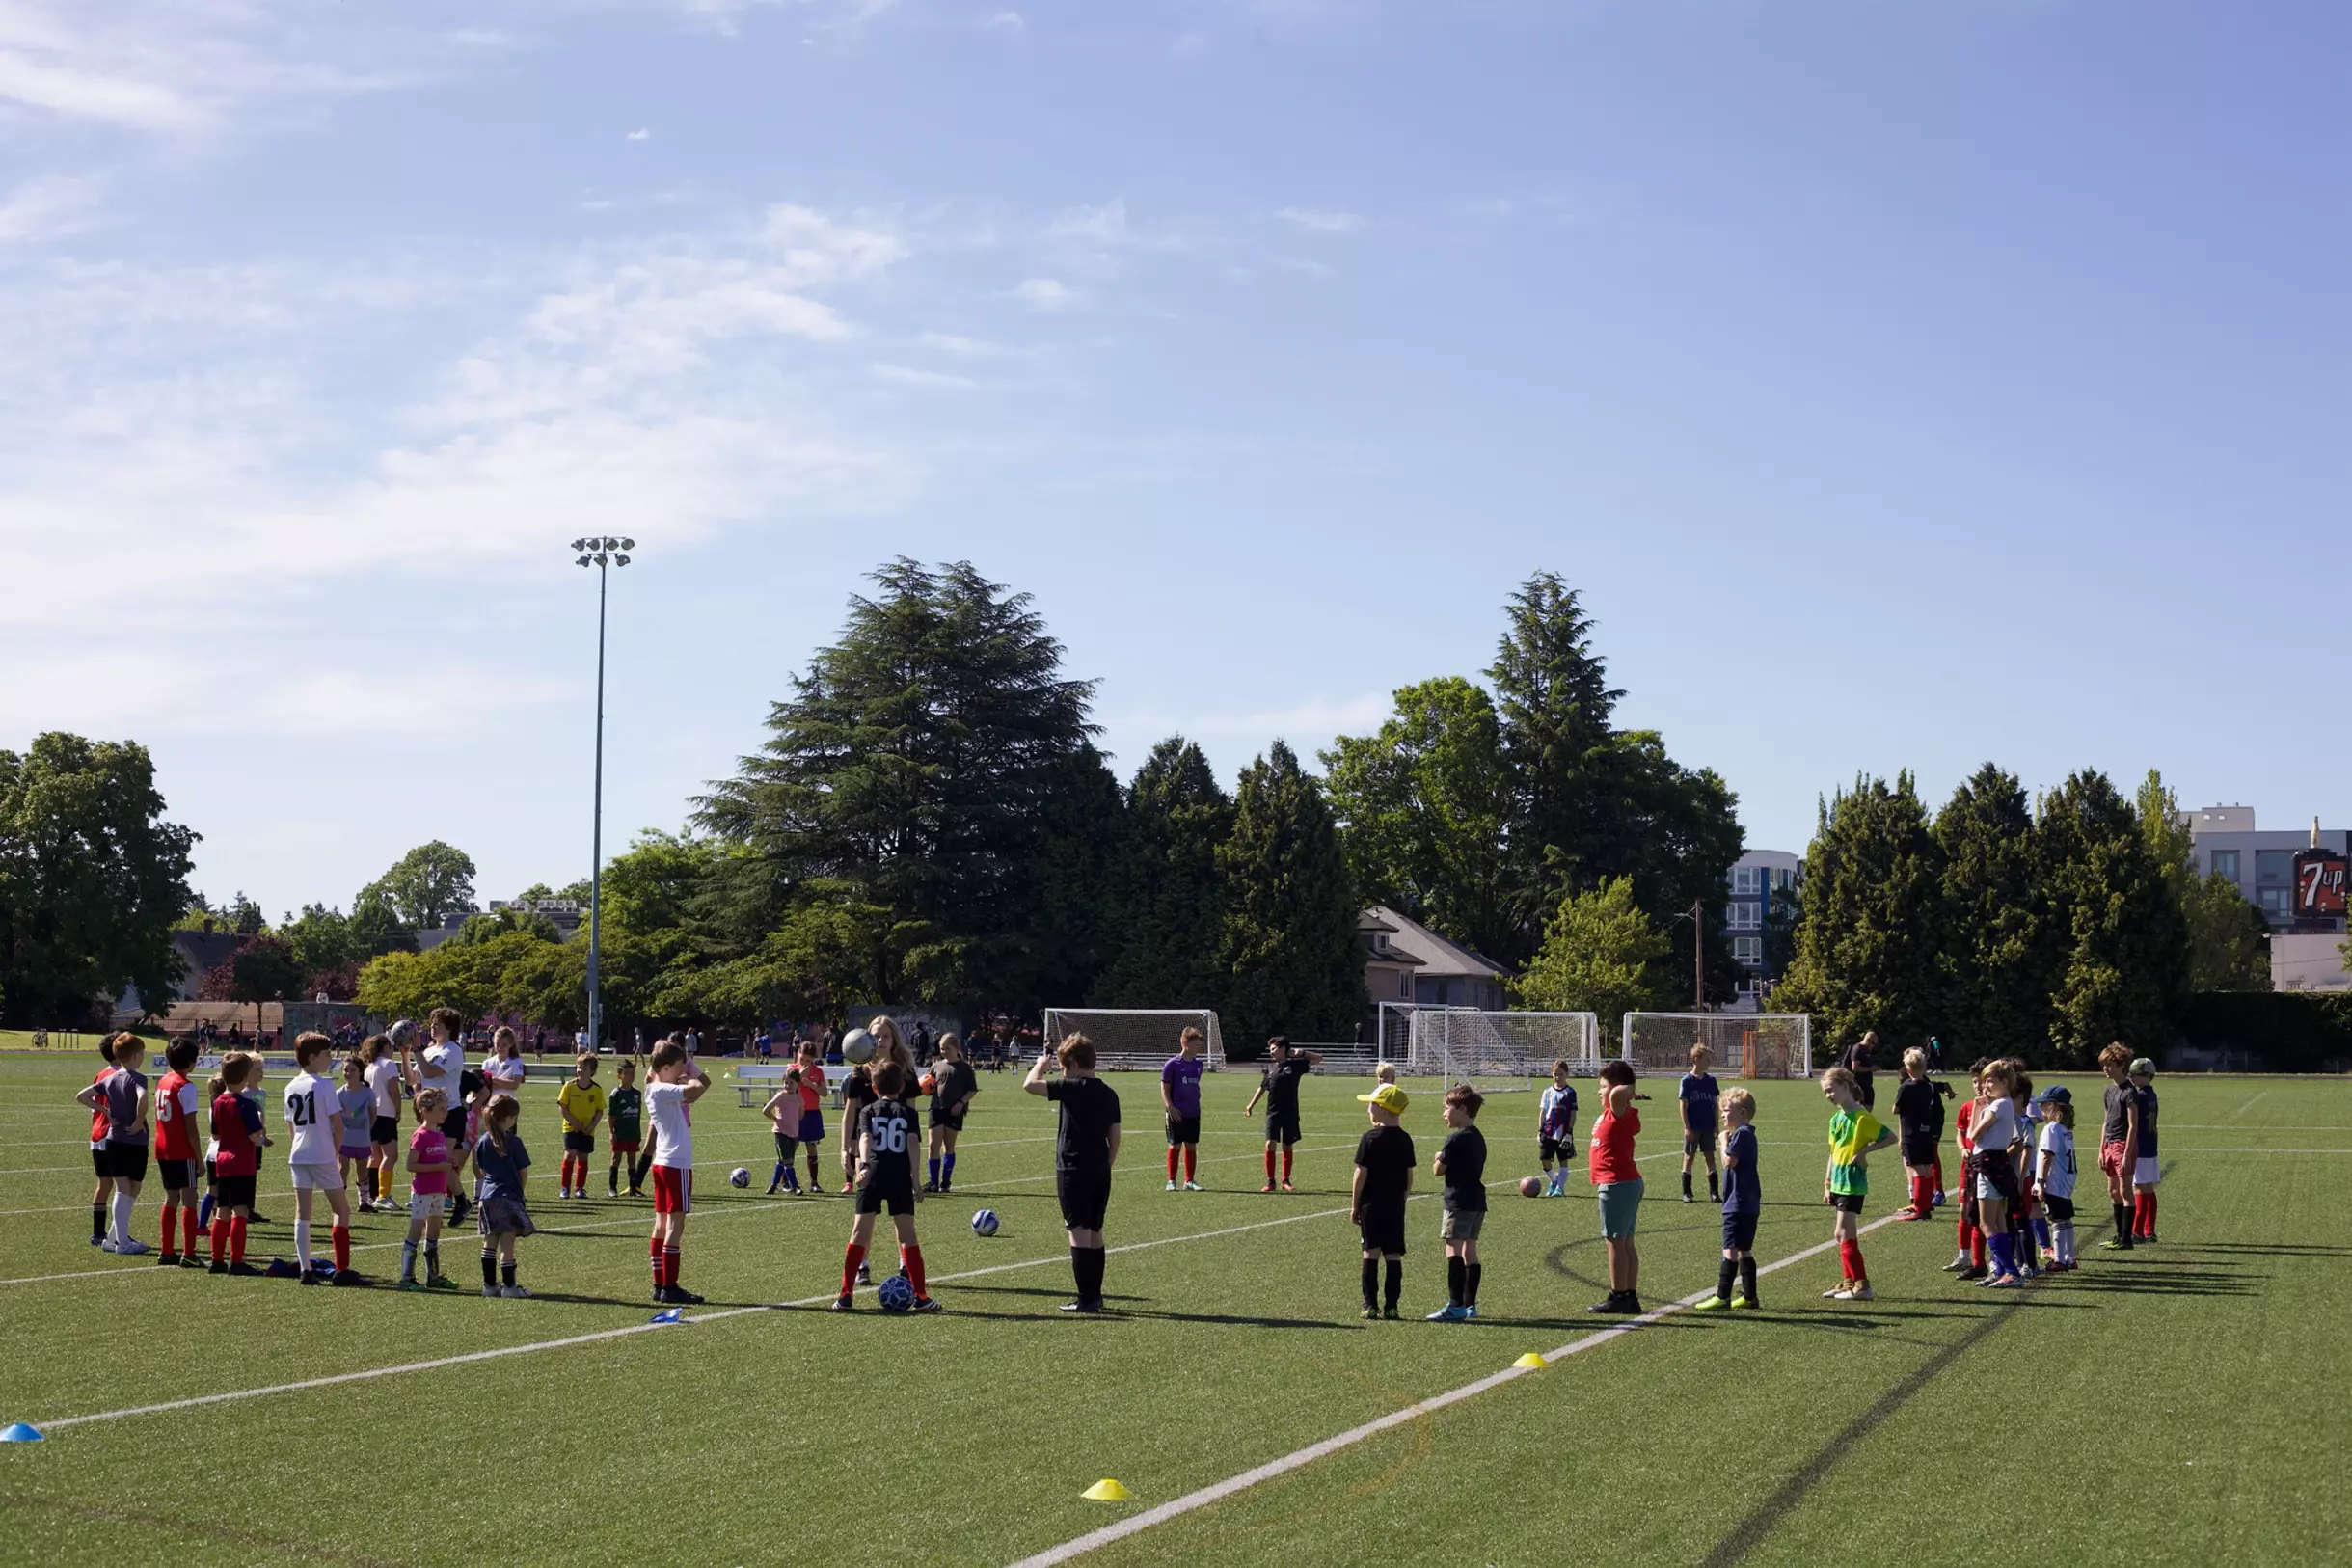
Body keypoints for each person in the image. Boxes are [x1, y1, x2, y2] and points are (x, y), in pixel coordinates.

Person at [830, 1061, 939, 1312]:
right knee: (907, 1234)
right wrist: (915, 1177)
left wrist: (864, 1165)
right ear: (902, 1087)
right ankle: (921, 1296)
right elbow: (912, 1143)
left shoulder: (868, 1110)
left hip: (874, 1174)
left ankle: (846, 1295)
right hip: (899, 1175)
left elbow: (865, 1137)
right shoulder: (909, 1114)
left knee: (859, 1233)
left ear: (874, 1087)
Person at [1026, 1033, 1122, 1313]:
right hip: (1100, 1168)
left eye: (1063, 1066)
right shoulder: (1108, 1093)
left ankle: (1086, 1298)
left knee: (1077, 1232)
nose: (1062, 1072)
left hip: (1072, 1167)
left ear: (1075, 1064)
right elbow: (1115, 1136)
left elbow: (1029, 1085)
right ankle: (1096, 1295)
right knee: (1095, 1231)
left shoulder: (1072, 1087)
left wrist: (1041, 1064)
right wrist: (1106, 1163)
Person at [282, 1032, 358, 1284]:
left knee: (302, 1213)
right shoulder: (324, 1084)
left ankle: (306, 1269)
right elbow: (339, 1126)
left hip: (298, 1154)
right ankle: (342, 1270)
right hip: (322, 1153)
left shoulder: (290, 1086)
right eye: (326, 1054)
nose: (330, 1059)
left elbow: (290, 1126)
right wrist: (335, 1153)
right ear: (312, 1057)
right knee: (341, 1209)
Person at [644, 1040, 711, 1306]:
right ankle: (669, 1285)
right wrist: (690, 1074)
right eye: (679, 1066)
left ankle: (659, 1284)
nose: (683, 1070)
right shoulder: (662, 1089)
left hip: (662, 1162)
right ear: (667, 1067)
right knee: (675, 1225)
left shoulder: (654, 1088)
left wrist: (683, 1073)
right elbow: (698, 1088)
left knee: (661, 1224)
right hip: (676, 1163)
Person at [1820, 1065, 1894, 1301]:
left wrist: (1865, 1151)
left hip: (1853, 1181)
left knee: (1844, 1232)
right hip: (1838, 1181)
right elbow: (1833, 1152)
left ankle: (1862, 1286)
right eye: (1826, 1093)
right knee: (1840, 1235)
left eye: (1831, 1090)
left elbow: (1891, 1137)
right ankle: (1848, 1282)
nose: (1829, 1096)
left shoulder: (1862, 1116)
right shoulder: (1835, 1119)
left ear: (1845, 1085)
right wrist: (1827, 1182)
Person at [75, 1032, 150, 1255]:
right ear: (136, 1056)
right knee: (131, 1188)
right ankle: (122, 1243)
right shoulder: (137, 1078)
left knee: (123, 1188)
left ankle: (112, 1238)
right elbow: (143, 1097)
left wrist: (105, 1111)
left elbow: (81, 1096)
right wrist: (138, 1121)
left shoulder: (108, 1078)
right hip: (134, 1141)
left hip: (113, 1140)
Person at [1349, 1082, 1415, 1320]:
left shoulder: (1370, 1138)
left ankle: (1370, 1305)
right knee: (1393, 1254)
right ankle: (1392, 1306)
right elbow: (1409, 1174)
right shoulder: (1405, 1139)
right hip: (1395, 1205)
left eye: (1372, 1104)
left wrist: (1354, 1204)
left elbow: (1361, 1173)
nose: (1369, 1108)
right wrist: (1405, 1194)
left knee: (1371, 1253)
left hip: (1371, 1205)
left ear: (1384, 1109)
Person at [1696, 1088, 1763, 1311]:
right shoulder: (1747, 1134)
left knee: (1730, 1248)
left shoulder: (1741, 1135)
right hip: (1748, 1202)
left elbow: (1729, 1162)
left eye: (1726, 1110)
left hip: (1738, 1202)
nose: (1723, 1115)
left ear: (1742, 1112)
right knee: (1744, 1248)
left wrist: (1723, 1142)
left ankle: (1723, 1295)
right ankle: (1749, 1296)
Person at [1586, 1060, 1644, 1314]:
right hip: (1622, 1183)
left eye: (1603, 1086)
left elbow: (1619, 1093)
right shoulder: (1612, 1112)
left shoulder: (1620, 1108)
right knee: (1625, 1242)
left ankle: (1618, 1295)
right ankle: (1629, 1295)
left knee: (1615, 1242)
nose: (1600, 1092)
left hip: (1617, 1183)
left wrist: (1626, 1087)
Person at [1426, 1084, 1486, 1322]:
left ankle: (1455, 1305)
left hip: (1458, 1201)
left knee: (1453, 1248)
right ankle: (1470, 1304)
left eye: (1446, 1108)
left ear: (1461, 1109)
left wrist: (1439, 1158)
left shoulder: (1454, 1139)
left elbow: (1438, 1171)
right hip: (1477, 1200)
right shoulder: (1478, 1136)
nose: (1443, 1114)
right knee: (1470, 1250)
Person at [1965, 1059, 2028, 1286]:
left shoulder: (1999, 1105)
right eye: (1984, 1081)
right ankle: (2001, 1271)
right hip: (1996, 1163)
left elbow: (1973, 1136)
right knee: (1999, 1221)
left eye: (1990, 1081)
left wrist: (1976, 1108)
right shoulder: (2006, 1104)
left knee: (1986, 1224)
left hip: (1987, 1165)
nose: (1985, 1086)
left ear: (2004, 1081)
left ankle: (2011, 1272)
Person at [469, 1094, 536, 1298]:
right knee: (507, 1242)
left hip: (487, 1197)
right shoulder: (514, 1141)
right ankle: (509, 1286)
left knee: (490, 1240)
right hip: (508, 1196)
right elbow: (523, 1171)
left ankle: (489, 1286)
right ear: (507, 1118)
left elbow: (477, 1169)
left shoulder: (482, 1141)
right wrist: (520, 1190)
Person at [207, 1052, 266, 1275]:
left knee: (222, 1210)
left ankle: (216, 1259)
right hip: (242, 1162)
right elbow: (253, 1137)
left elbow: (215, 1135)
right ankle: (237, 1261)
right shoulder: (246, 1104)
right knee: (240, 1211)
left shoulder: (217, 1103)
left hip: (222, 1161)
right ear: (244, 1078)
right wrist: (259, 1126)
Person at [397, 1086, 458, 1290]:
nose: (445, 1113)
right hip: (422, 1192)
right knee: (415, 1233)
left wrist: (446, 1161)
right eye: (441, 1109)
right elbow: (411, 1165)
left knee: (433, 1234)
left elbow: (437, 1160)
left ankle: (433, 1276)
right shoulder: (420, 1135)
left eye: (445, 1108)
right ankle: (407, 1278)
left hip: (438, 1192)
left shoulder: (440, 1135)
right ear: (426, 1110)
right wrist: (438, 1166)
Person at [1242, 1036, 1321, 1193]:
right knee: (1270, 1144)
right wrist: (1250, 1105)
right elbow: (1263, 1087)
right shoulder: (1270, 1069)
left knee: (1287, 1145)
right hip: (1272, 1112)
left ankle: (1286, 1180)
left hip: (1290, 1111)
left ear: (1284, 1049)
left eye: (1274, 1049)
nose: (1271, 1052)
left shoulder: (1295, 1064)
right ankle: (1271, 1181)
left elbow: (1319, 1059)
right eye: (1270, 1049)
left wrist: (1302, 1053)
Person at [151, 1037, 203, 1265]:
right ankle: (189, 1253)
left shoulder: (162, 1081)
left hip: (163, 1147)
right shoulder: (186, 1086)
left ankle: (166, 1250)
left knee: (171, 1197)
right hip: (182, 1149)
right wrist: (199, 1160)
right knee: (189, 1198)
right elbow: (190, 1126)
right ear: (191, 1062)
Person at [2095, 1042, 2141, 1252]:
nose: (2105, 1069)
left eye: (2109, 1065)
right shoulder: (2109, 1091)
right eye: (2104, 1065)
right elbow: (2106, 1122)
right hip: (2109, 1145)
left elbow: (2133, 1126)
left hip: (2123, 1145)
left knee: (2125, 1190)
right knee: (2112, 1190)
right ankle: (2118, 1234)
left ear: (2122, 1065)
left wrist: (2126, 1155)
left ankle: (2126, 1238)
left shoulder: (2129, 1092)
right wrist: (2101, 1149)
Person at [1893, 1047, 1943, 1220]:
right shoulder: (1929, 1086)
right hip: (1926, 1132)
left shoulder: (1905, 1087)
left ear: (1907, 1069)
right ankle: (1927, 1205)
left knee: (1917, 1170)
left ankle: (1920, 1209)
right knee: (1928, 1168)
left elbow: (1896, 1109)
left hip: (1910, 1132)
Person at [2033, 1086, 2078, 1271]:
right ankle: (2069, 1257)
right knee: (2065, 1220)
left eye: (2043, 1105)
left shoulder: (2051, 1129)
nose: (2041, 1109)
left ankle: (2059, 1260)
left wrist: (2041, 1182)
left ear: (2053, 1106)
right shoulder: (2066, 1130)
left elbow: (2046, 1156)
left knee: (2057, 1221)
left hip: (2054, 1181)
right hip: (2066, 1182)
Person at [925, 1034, 978, 1194]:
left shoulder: (964, 1068)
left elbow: (972, 1090)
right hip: (936, 1109)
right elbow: (928, 1084)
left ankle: (945, 1182)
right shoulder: (936, 1066)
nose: (944, 1051)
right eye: (942, 1048)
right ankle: (932, 1182)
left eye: (948, 1048)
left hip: (954, 1110)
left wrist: (960, 1103)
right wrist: (925, 1087)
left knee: (948, 1146)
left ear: (956, 1048)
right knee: (933, 1145)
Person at [363, 1030, 406, 1212]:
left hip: (370, 1114)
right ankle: (383, 1195)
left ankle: (370, 1195)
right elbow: (393, 1090)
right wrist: (398, 1109)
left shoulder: (369, 1067)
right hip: (385, 1114)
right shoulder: (388, 1064)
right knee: (391, 1155)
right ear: (385, 1047)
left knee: (376, 1157)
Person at [83, 1035, 121, 1249]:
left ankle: (98, 1233)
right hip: (113, 1136)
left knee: (104, 1185)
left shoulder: (101, 1074)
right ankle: (119, 1233)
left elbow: (92, 1109)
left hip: (97, 1136)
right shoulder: (121, 1076)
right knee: (124, 1186)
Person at [1161, 1026, 1207, 1192]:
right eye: (1196, 1045)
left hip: (1193, 1111)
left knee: (1191, 1145)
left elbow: (1196, 1085)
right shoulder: (1172, 1064)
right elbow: (1165, 1088)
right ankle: (1171, 1181)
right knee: (1175, 1145)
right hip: (1176, 1112)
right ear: (1185, 1043)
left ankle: (1189, 1180)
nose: (1198, 1049)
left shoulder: (1198, 1065)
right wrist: (1170, 1107)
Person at [556, 1053, 606, 1201]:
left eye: (584, 1068)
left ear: (592, 1071)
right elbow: (563, 1107)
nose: (580, 1070)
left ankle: (579, 1188)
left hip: (587, 1130)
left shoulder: (597, 1090)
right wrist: (573, 1122)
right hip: (571, 1127)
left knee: (583, 1157)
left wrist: (592, 1126)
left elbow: (599, 1110)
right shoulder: (569, 1086)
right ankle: (565, 1188)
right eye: (578, 1067)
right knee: (570, 1154)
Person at [335, 1054, 377, 1222]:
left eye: (353, 1070)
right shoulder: (339, 1094)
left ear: (360, 1072)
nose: (349, 1073)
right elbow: (336, 1119)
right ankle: (340, 1202)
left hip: (362, 1140)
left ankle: (364, 1202)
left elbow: (373, 1116)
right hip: (344, 1140)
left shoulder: (368, 1093)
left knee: (362, 1172)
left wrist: (364, 1131)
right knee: (342, 1169)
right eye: (346, 1070)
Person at [1678, 1044, 1721, 1203]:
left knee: (1710, 1157)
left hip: (1708, 1126)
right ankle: (1687, 1193)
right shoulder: (1687, 1081)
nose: (1709, 1063)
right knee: (1689, 1157)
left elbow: (1715, 1104)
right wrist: (1687, 1127)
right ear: (1696, 1059)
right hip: (1693, 1126)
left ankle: (1714, 1193)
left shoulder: (1711, 1081)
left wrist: (1716, 1125)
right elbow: (1683, 1105)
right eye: (1707, 1060)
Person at [2128, 1057, 2162, 1243]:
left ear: (2148, 1076)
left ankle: (2137, 1231)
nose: (2132, 1078)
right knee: (2148, 1187)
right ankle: (2150, 1231)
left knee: (2138, 1188)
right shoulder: (2152, 1094)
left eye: (2136, 1075)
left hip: (2140, 1146)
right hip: (2151, 1146)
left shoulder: (2139, 1096)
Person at [1537, 1060, 1579, 1198]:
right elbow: (1543, 1112)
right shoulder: (1547, 1092)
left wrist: (1569, 1132)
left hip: (1563, 1133)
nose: (1558, 1077)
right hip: (1548, 1131)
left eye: (1561, 1074)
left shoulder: (1570, 1092)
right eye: (1555, 1074)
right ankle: (1554, 1182)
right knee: (1544, 1159)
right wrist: (1539, 1130)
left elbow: (1573, 1113)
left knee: (1563, 1160)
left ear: (1567, 1074)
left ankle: (1560, 1188)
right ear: (1551, 1074)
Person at [792, 1042, 827, 1193]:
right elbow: (788, 1087)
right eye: (803, 1059)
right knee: (791, 1148)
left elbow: (824, 1092)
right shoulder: (792, 1069)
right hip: (794, 1112)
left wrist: (812, 1084)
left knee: (811, 1147)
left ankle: (814, 1182)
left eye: (808, 1061)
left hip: (812, 1113)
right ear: (798, 1054)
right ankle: (786, 1182)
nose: (805, 1063)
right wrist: (800, 1076)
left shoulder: (818, 1072)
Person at [608, 1059, 645, 1199]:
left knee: (631, 1160)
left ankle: (633, 1189)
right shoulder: (616, 1094)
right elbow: (611, 1116)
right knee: (616, 1159)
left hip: (633, 1133)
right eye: (627, 1073)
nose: (631, 1076)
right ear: (619, 1075)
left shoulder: (637, 1093)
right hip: (620, 1133)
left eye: (632, 1073)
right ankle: (612, 1188)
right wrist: (612, 1132)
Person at [838, 1062, 877, 1198]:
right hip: (860, 1114)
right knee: (854, 1147)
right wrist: (843, 1149)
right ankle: (849, 1181)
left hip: (878, 1118)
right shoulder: (852, 1078)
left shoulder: (894, 1071)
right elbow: (848, 1105)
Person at [760, 1075, 803, 1195]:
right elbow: (766, 1110)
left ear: (798, 1084)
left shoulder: (799, 1098)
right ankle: (795, 1187)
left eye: (791, 1082)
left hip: (793, 1134)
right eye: (786, 1082)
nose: (788, 1085)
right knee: (787, 1160)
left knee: (782, 1161)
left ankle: (773, 1185)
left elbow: (801, 1115)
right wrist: (775, 1118)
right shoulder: (780, 1096)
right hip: (781, 1133)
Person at [483, 1026, 528, 1105]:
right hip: (489, 1105)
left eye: (504, 1045)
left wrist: (493, 1079)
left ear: (511, 1044)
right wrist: (506, 1081)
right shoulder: (487, 1063)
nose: (500, 1048)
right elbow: (484, 1088)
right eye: (498, 1044)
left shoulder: (516, 1061)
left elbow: (515, 1084)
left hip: (509, 1105)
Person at [1840, 1030, 1879, 1109]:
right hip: (1859, 1083)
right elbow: (1855, 1068)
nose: (1873, 1046)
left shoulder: (1866, 1050)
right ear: (1867, 1040)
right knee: (1862, 1108)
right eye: (1872, 1043)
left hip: (1866, 1084)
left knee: (1868, 1107)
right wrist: (1871, 1068)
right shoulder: (1858, 1049)